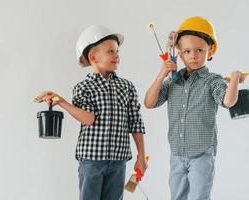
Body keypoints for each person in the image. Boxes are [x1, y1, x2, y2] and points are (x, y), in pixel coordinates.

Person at [144, 16, 246, 200]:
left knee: (198, 197)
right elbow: (149, 103)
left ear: (210, 51)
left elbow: (228, 101)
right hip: (177, 154)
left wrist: (234, 80)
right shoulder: (172, 82)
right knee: (177, 196)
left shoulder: (212, 81)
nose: (193, 55)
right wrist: (161, 74)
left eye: (200, 50)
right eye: (188, 51)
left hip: (202, 154)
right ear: (180, 54)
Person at [43, 25, 147, 200]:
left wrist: (141, 155)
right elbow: (88, 119)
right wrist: (61, 102)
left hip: (118, 159)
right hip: (91, 159)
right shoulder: (83, 88)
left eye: (117, 50)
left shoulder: (127, 87)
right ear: (93, 57)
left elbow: (135, 122)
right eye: (110, 51)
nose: (116, 55)